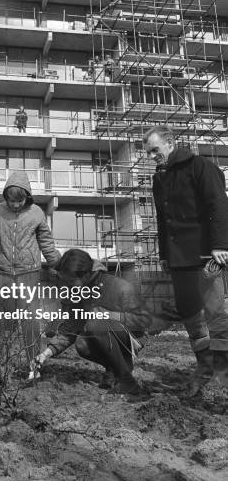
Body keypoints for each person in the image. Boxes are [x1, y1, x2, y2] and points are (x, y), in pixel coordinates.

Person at [143, 125, 228, 391]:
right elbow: (162, 220)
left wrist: (220, 244)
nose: (151, 156)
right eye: (148, 152)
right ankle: (205, 368)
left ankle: (223, 375)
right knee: (190, 313)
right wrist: (164, 255)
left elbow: (218, 204)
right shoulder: (160, 178)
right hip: (178, 258)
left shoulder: (200, 166)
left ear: (170, 143)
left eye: (155, 150)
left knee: (215, 312)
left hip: (206, 254)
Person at [31, 249, 150, 398]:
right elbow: (71, 327)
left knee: (95, 324)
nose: (67, 286)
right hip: (106, 335)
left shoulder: (119, 287)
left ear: (85, 274)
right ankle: (113, 369)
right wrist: (46, 353)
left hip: (132, 339)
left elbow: (144, 320)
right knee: (82, 343)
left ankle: (127, 381)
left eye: (70, 281)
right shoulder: (77, 293)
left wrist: (112, 315)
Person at [0, 172, 61, 365]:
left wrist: (55, 263)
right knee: (5, 320)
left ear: (27, 196)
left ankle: (34, 363)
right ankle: (3, 364)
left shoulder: (36, 213)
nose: (16, 204)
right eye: (12, 200)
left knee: (30, 320)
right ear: (6, 196)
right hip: (2, 272)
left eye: (20, 200)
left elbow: (46, 241)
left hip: (29, 272)